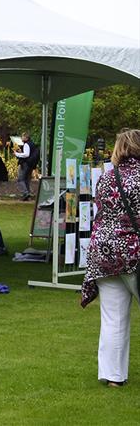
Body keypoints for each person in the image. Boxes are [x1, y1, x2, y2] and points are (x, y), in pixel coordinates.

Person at [81, 129, 140, 388]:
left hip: (103, 253)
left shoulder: (105, 178)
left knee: (113, 318)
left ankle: (113, 376)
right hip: (133, 252)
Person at [14, 132, 37, 200]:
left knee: (20, 179)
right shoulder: (32, 144)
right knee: (26, 180)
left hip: (25, 164)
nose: (21, 138)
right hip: (31, 164)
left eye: (22, 137)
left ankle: (25, 193)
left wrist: (17, 154)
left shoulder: (27, 144)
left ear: (26, 137)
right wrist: (21, 152)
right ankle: (28, 195)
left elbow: (26, 155)